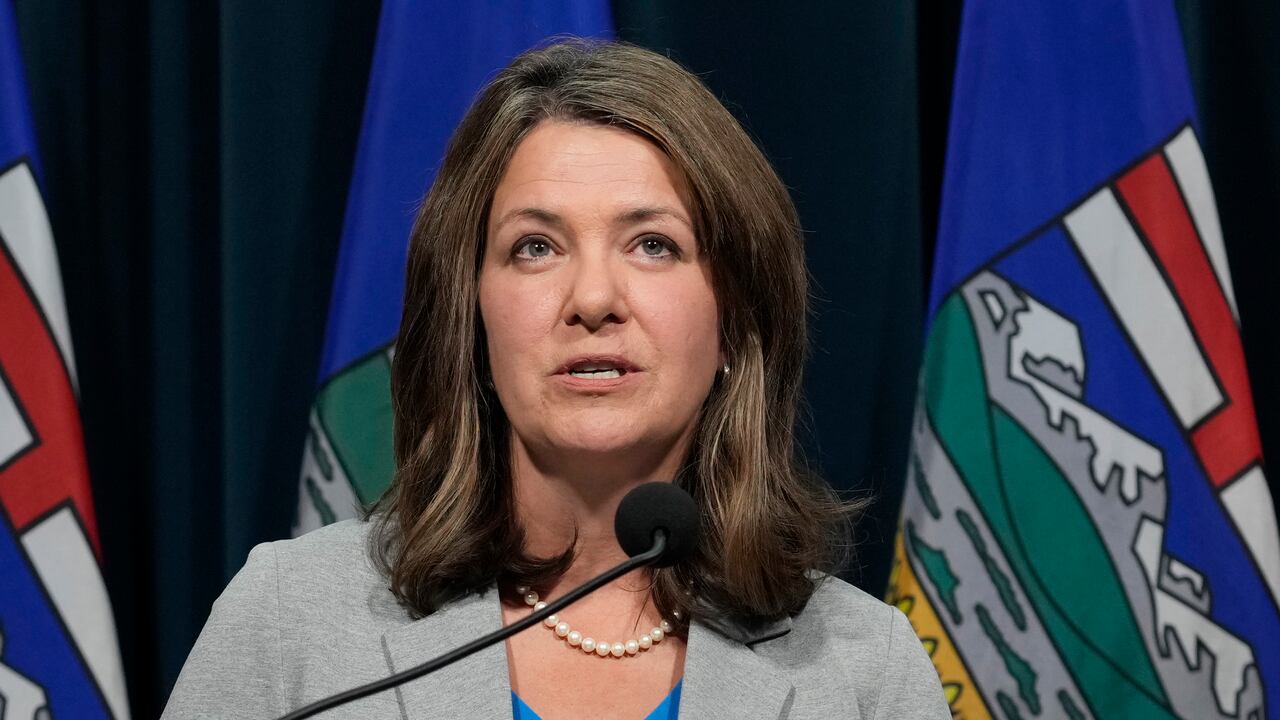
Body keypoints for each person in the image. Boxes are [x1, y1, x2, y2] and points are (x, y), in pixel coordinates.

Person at [162, 40, 949, 720]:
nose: (594, 300)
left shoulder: (860, 671)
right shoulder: (288, 619)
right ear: (471, 315)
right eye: (536, 247)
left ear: (735, 323)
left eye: (653, 244)